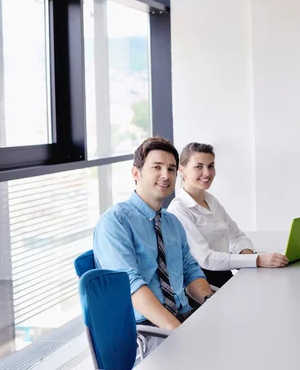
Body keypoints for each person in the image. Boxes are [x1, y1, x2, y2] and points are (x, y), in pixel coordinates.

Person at [93, 136, 214, 358]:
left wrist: (212, 306)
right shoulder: (115, 222)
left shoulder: (171, 222)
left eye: (171, 169)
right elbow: (131, 287)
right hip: (148, 332)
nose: (165, 175)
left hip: (183, 317)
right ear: (136, 173)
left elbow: (190, 270)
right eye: (156, 167)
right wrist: (179, 331)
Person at [167, 142, 288, 288]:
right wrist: (257, 260)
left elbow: (237, 235)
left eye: (211, 166)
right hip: (204, 284)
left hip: (225, 276)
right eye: (199, 166)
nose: (207, 173)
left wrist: (247, 255)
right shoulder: (178, 209)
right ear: (181, 170)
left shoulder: (211, 200)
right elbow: (207, 259)